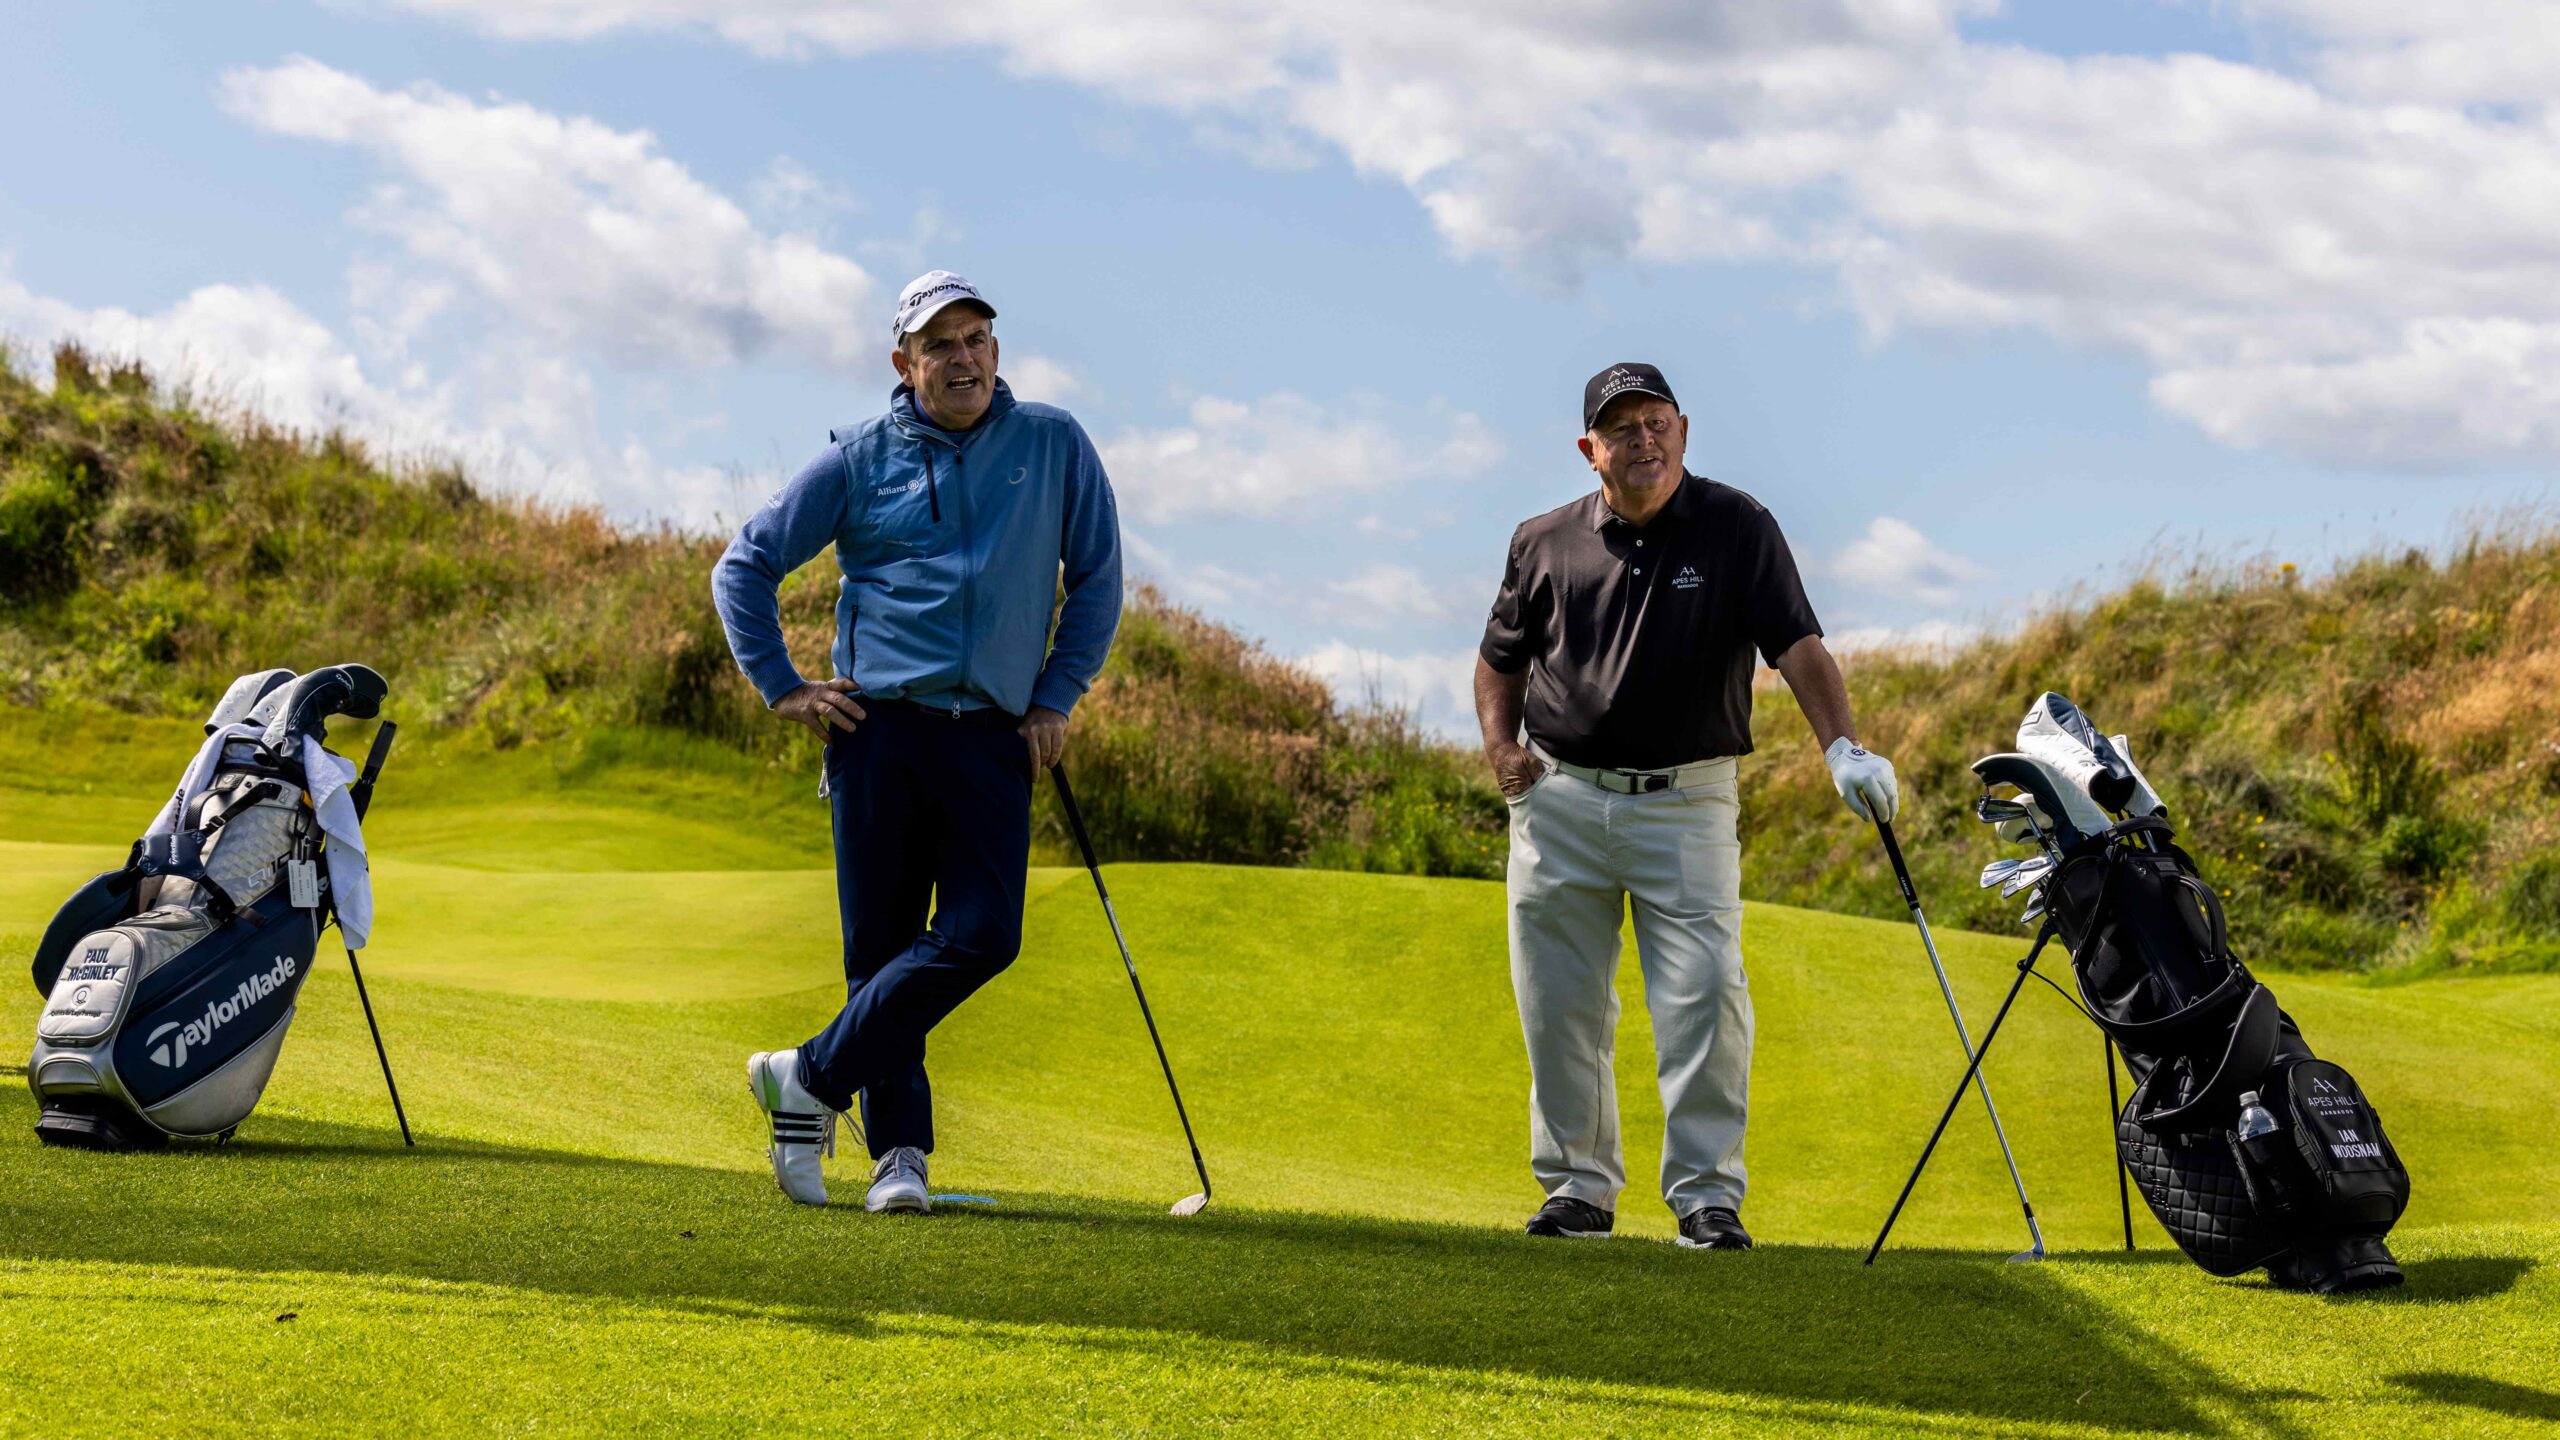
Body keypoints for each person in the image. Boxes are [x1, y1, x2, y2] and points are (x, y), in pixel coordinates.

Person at [713, 270, 1122, 1211]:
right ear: (905, 364)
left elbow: (1096, 578)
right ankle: (898, 1160)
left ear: (996, 350)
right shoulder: (859, 457)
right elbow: (745, 566)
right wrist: (783, 688)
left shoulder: (1053, 444)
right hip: (878, 730)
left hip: (992, 732)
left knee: (986, 934)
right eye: (940, 345)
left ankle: (806, 1078)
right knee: (883, 948)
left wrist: (1057, 695)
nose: (963, 357)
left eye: (977, 338)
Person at [1474, 362, 1898, 1249]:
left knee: (1704, 996)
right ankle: (1579, 1189)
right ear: (1589, 450)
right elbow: (1501, 656)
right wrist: (1502, 748)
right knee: (1559, 1004)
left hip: (1688, 800)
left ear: (1684, 429)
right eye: (1620, 428)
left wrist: (1842, 747)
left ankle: (1707, 1196)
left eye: (1656, 421)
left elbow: (1798, 646)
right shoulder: (1542, 540)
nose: (1643, 440)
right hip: (1560, 800)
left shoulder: (1737, 526)